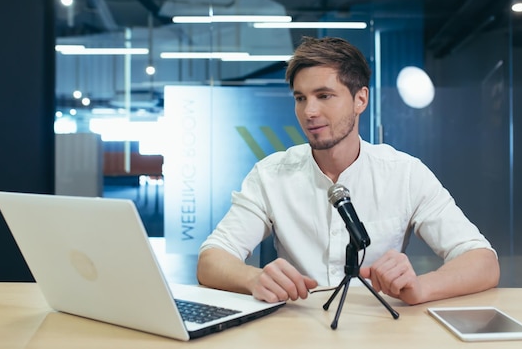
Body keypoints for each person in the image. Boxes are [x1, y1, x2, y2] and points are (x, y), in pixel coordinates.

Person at [197, 36, 500, 305]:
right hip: (298, 329)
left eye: (324, 96)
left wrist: (421, 287)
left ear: (360, 100)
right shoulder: (271, 174)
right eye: (300, 98)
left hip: (378, 328)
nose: (309, 112)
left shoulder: (405, 174)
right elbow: (211, 259)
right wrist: (253, 279)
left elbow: (483, 262)